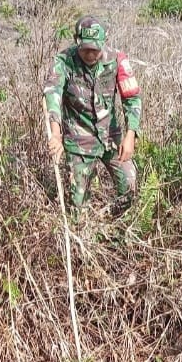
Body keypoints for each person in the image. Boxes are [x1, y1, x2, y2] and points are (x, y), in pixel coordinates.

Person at [43, 15, 142, 214]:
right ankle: (86, 230)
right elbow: (53, 94)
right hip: (79, 138)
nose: (90, 54)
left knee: (130, 187)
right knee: (79, 207)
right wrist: (55, 133)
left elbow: (131, 98)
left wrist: (131, 135)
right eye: (85, 49)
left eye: (95, 50)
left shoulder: (117, 60)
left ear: (104, 43)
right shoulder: (63, 61)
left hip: (110, 136)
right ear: (76, 40)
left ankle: (113, 224)